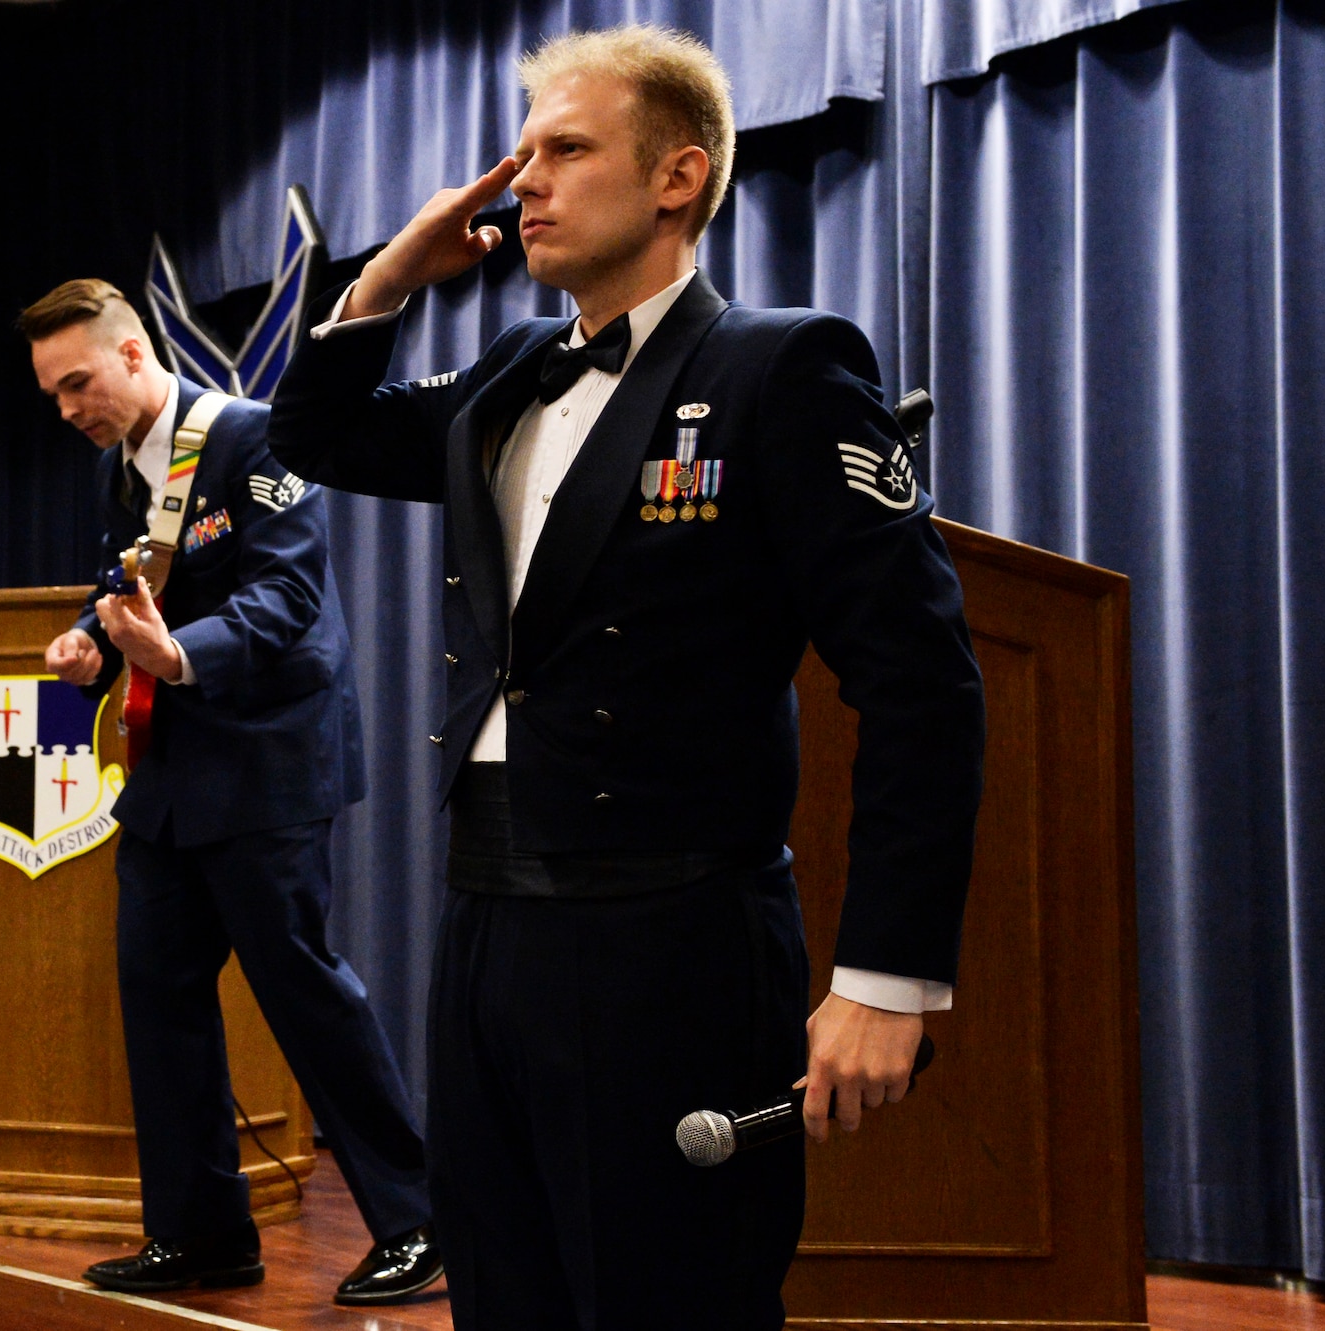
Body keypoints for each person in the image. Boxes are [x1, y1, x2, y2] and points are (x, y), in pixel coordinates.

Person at [267, 25, 987, 1330]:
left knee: (669, 1301)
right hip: (485, 916)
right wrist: (388, 274)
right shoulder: (505, 375)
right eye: (521, 152)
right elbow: (314, 431)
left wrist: (887, 972)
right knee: (506, 1291)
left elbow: (922, 678)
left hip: (672, 932)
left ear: (676, 177)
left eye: (565, 149)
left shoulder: (781, 366)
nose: (523, 180)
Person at [21, 280, 441, 1306]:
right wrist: (89, 636)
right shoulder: (123, 473)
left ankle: (418, 1221)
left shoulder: (250, 434)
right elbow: (134, 577)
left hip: (266, 760)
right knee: (155, 995)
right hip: (170, 776)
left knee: (302, 990)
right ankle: (200, 1231)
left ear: (131, 356)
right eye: (52, 394)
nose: (69, 407)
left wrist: (175, 653)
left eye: (78, 382)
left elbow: (289, 594)